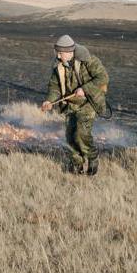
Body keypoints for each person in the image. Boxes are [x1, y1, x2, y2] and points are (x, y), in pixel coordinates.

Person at [41, 35, 109, 175]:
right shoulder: (58, 66)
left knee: (81, 132)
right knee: (70, 136)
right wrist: (49, 101)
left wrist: (85, 89)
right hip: (70, 104)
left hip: (89, 102)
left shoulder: (89, 60)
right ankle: (76, 165)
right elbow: (54, 87)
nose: (58, 56)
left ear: (69, 51)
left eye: (61, 53)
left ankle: (92, 157)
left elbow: (103, 78)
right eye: (57, 53)